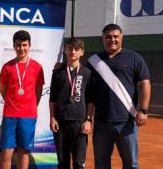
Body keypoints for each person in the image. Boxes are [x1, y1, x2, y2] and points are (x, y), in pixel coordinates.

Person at [88, 23, 151, 169]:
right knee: (101, 163)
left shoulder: (134, 58)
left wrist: (143, 110)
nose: (112, 40)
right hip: (101, 122)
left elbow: (145, 85)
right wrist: (62, 66)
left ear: (121, 37)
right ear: (102, 39)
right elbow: (87, 87)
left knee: (131, 164)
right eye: (108, 37)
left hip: (126, 121)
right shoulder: (94, 61)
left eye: (116, 36)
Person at [0, 30, 45, 169]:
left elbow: (39, 92)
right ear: (14, 46)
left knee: (23, 152)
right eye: (18, 45)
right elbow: (3, 91)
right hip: (10, 114)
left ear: (29, 45)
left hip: (28, 115)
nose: (21, 48)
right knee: (6, 153)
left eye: (24, 45)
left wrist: (29, 106)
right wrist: (13, 103)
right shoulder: (7, 67)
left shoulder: (37, 67)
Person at [49, 38, 93, 169]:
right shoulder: (57, 72)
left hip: (79, 123)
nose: (72, 52)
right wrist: (52, 118)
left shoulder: (87, 73)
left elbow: (91, 99)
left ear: (82, 52)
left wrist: (88, 120)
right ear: (65, 51)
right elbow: (52, 98)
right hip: (60, 122)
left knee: (79, 163)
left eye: (76, 49)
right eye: (69, 49)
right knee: (62, 163)